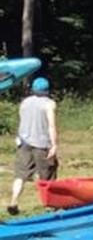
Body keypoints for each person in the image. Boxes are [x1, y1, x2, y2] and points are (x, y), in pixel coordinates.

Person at [8, 76, 58, 214]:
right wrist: (54, 145)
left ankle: (13, 201)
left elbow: (22, 120)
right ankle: (49, 204)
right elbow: (51, 126)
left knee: (20, 175)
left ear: (33, 89)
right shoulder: (49, 104)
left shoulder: (24, 102)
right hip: (41, 144)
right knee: (47, 175)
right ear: (47, 90)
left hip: (23, 142)